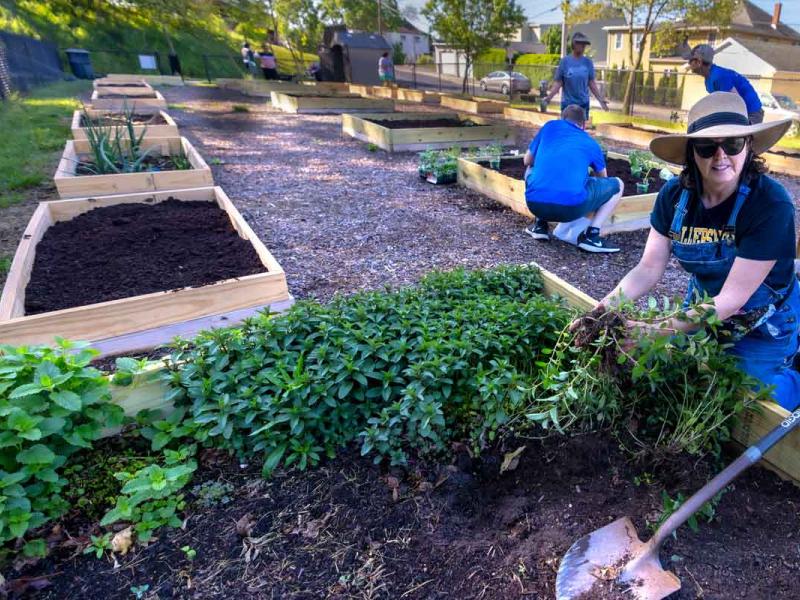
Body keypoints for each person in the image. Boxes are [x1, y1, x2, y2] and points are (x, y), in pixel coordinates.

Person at [598, 92, 799, 411]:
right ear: (692, 153)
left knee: (752, 402)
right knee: (671, 373)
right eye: (707, 147)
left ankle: (791, 373)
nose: (721, 156)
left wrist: (653, 329)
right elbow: (648, 268)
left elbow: (732, 300)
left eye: (732, 145)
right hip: (703, 305)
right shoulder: (675, 197)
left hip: (763, 319)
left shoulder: (770, 204)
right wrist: (605, 307)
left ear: (748, 147)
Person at [524, 104, 624, 253]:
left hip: (534, 204)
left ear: (562, 118)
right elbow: (603, 179)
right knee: (618, 185)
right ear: (583, 124)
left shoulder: (549, 127)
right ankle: (592, 236)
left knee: (530, 170)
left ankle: (540, 225)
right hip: (571, 209)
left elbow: (527, 160)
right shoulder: (590, 142)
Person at [688, 44, 764, 124]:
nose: (689, 64)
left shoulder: (719, 76)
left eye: (690, 61)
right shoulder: (709, 79)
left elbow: (736, 102)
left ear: (699, 62)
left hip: (751, 114)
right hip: (743, 113)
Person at [542, 31, 609, 120]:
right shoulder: (565, 62)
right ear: (574, 44)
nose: (583, 46)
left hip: (583, 104)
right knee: (567, 130)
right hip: (568, 104)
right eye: (581, 43)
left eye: (585, 44)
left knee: (579, 131)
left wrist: (601, 100)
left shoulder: (588, 62)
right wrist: (549, 98)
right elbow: (558, 83)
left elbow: (591, 83)